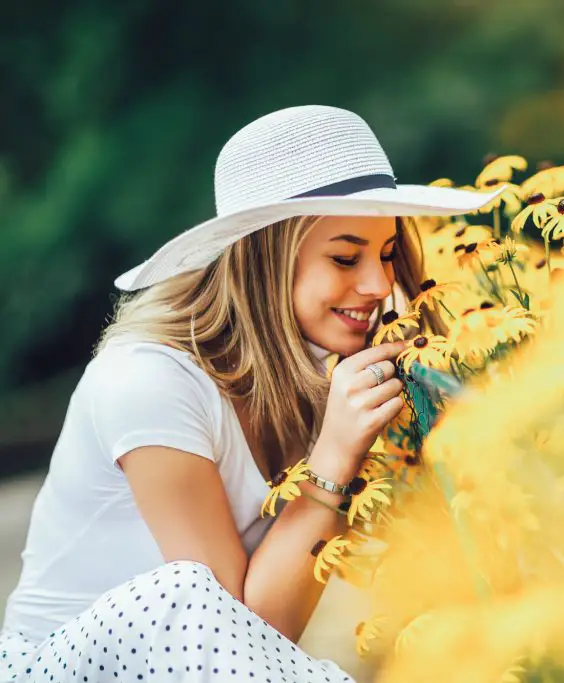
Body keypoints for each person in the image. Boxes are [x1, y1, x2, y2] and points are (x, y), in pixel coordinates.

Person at [0, 105, 502, 682]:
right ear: (263, 258)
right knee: (184, 590)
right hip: (70, 666)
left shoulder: (320, 373)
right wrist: (333, 459)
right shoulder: (147, 380)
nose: (378, 284)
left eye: (387, 255)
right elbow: (235, 637)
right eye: (345, 257)